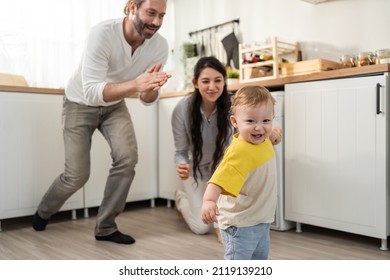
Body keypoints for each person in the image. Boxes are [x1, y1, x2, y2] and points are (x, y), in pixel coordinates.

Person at [32, 0, 171, 245]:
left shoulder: (159, 46)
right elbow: (93, 92)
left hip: (114, 105)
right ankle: (44, 211)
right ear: (132, 7)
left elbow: (147, 99)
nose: (157, 22)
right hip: (79, 103)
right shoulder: (102, 33)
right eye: (151, 13)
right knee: (76, 176)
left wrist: (150, 88)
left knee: (127, 158)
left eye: (162, 15)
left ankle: (106, 227)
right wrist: (137, 84)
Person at [172, 57, 281, 243]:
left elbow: (254, 124)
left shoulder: (233, 107)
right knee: (201, 227)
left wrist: (272, 132)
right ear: (195, 83)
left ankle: (214, 218)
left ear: (224, 81)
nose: (212, 86)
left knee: (219, 222)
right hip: (196, 172)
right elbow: (180, 151)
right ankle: (181, 199)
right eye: (205, 81)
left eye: (218, 80)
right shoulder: (182, 110)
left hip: (223, 170)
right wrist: (181, 164)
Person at [201, 85, 277, 260]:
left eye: (266, 121)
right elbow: (218, 179)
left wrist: (274, 134)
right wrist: (209, 201)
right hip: (240, 224)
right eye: (250, 122)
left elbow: (271, 134)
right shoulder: (239, 152)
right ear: (235, 122)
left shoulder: (263, 139)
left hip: (260, 219)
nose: (259, 128)